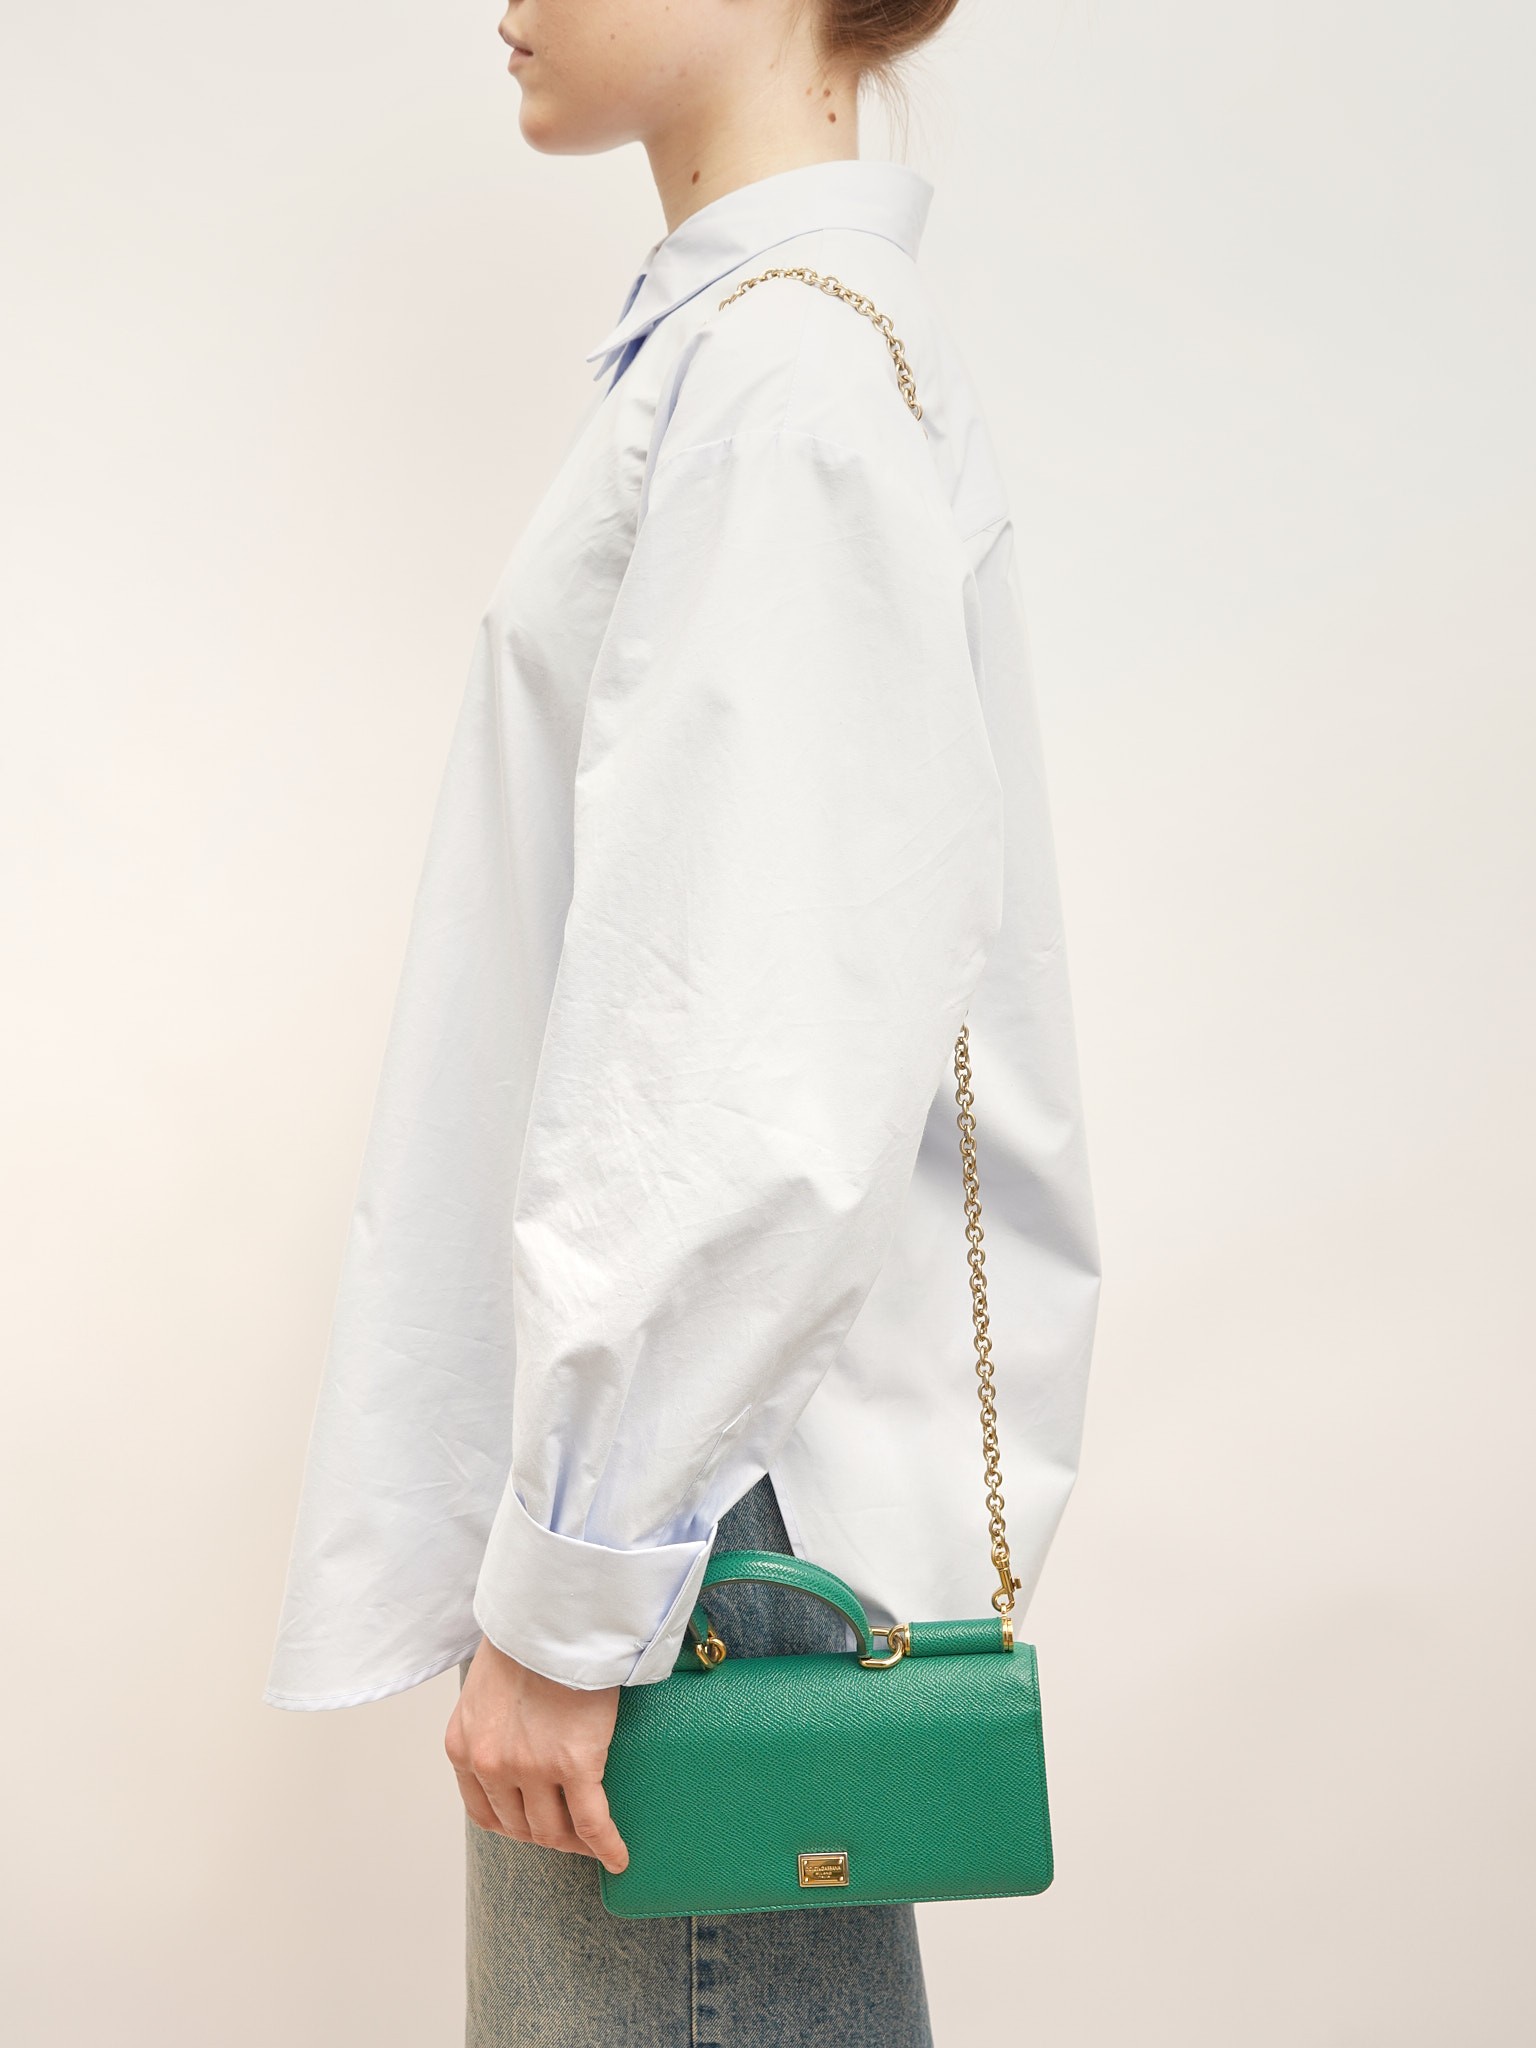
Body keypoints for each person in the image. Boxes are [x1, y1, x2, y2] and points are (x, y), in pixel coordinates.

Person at [263, 1, 1101, 2040]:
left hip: (695, 1530)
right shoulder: (768, 361)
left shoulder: (781, 382)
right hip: (690, 1502)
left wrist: (579, 1584)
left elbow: (749, 1056)